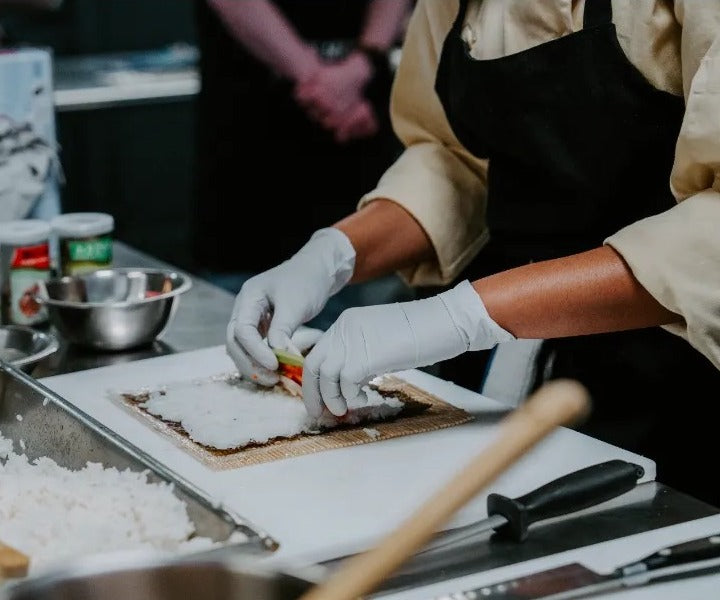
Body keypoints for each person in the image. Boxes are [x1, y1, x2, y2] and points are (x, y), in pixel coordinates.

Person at [227, 0, 720, 507]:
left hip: (682, 386)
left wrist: (462, 315)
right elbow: (456, 160)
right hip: (515, 354)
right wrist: (332, 255)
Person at [191, 0, 414, 329]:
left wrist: (364, 60)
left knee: (361, 326)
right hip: (252, 155)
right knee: (248, 334)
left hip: (359, 149)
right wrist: (322, 82)